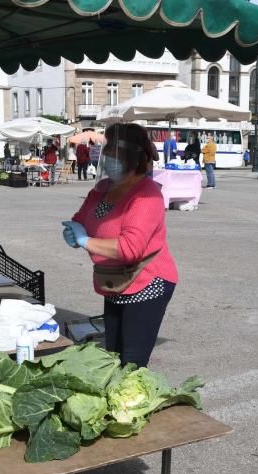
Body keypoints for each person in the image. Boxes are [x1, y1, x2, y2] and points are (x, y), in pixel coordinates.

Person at [60, 123, 178, 367]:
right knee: (112, 353)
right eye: (108, 151)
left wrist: (85, 241)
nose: (110, 157)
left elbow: (130, 248)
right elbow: (81, 219)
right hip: (114, 280)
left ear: (132, 158)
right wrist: (73, 233)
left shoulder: (147, 195)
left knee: (132, 361)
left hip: (146, 282)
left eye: (116, 152)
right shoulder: (103, 188)